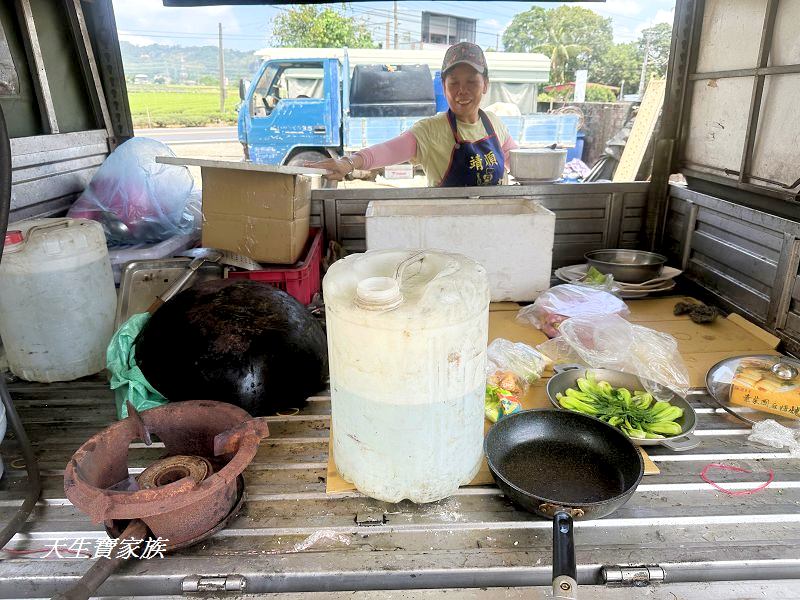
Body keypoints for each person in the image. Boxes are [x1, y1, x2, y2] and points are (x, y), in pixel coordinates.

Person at [308, 42, 519, 187]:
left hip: (495, 227)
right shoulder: (430, 130)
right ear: (444, 87)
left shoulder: (494, 124)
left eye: (472, 81)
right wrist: (349, 163)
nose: (462, 90)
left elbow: (521, 164)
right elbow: (389, 150)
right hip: (450, 229)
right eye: (454, 82)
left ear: (485, 85)